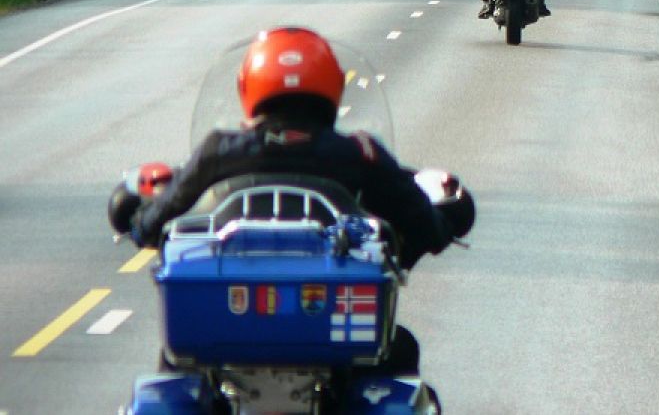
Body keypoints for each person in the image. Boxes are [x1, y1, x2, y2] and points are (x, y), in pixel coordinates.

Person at [112, 26, 475, 378]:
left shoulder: (218, 151)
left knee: (177, 363)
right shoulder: (359, 154)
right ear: (334, 86)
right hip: (336, 332)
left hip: (228, 330)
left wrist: (138, 218)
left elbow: (151, 223)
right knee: (399, 352)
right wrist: (443, 223)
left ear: (247, 86)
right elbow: (424, 225)